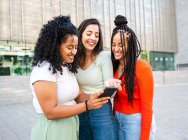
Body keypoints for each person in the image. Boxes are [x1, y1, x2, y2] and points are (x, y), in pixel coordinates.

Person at [30, 15, 110, 140]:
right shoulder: (44, 69)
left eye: (76, 47)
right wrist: (87, 105)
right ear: (56, 46)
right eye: (69, 47)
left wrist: (95, 97)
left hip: (69, 130)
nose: (74, 51)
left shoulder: (66, 67)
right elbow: (50, 112)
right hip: (53, 131)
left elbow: (78, 96)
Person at [111, 15, 155, 140]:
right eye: (113, 44)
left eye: (121, 45)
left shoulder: (142, 67)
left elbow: (147, 106)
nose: (116, 49)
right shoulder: (115, 66)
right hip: (117, 119)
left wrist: (144, 137)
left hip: (134, 122)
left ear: (130, 45)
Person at [75, 18, 119, 140]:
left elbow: (110, 89)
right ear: (80, 34)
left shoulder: (104, 57)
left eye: (96, 35)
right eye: (89, 34)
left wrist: (111, 88)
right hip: (80, 109)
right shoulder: (73, 59)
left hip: (101, 110)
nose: (93, 38)